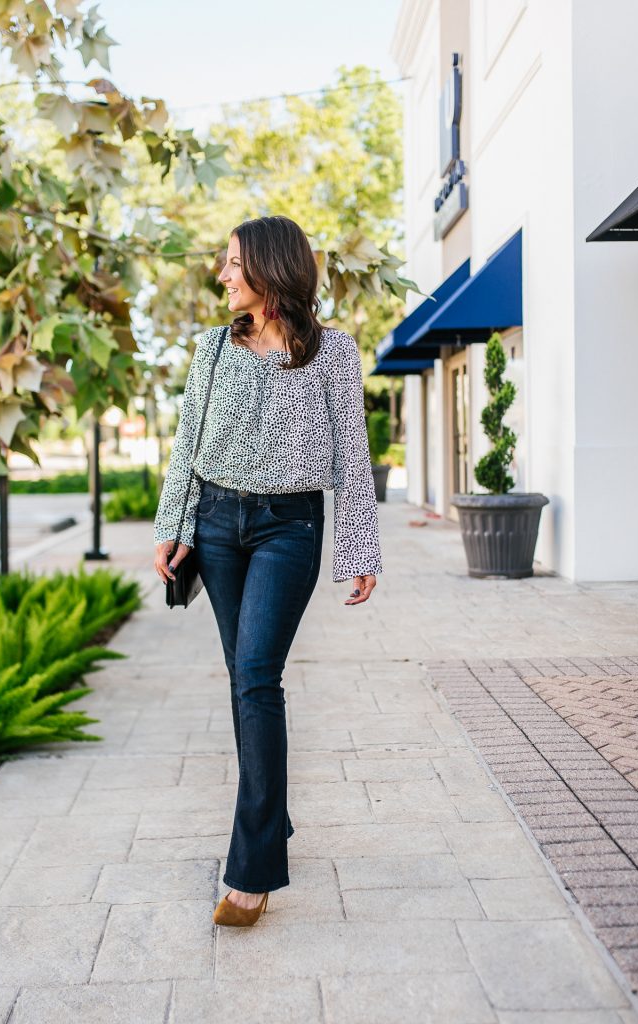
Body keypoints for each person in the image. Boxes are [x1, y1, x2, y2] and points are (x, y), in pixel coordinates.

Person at [153, 214, 383, 926]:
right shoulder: (212, 348)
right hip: (218, 526)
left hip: (290, 527)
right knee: (245, 679)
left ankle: (251, 874)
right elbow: (187, 443)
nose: (221, 275)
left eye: (231, 264)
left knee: (256, 674)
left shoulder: (333, 352)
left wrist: (359, 548)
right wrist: (174, 527)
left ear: (269, 268)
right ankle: (270, 817)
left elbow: (352, 453)